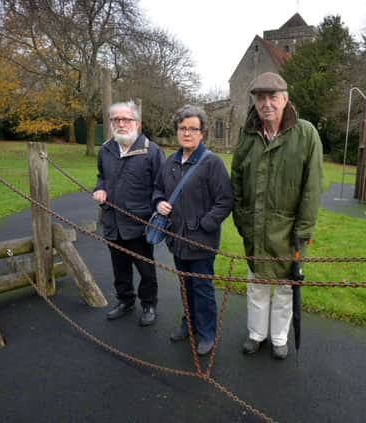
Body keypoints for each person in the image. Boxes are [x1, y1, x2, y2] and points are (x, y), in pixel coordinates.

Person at [231, 72, 323, 360]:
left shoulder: (306, 133)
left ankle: (280, 337)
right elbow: (236, 178)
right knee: (256, 284)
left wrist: (303, 230)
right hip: (255, 226)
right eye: (260, 98)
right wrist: (242, 220)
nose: (267, 103)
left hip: (289, 229)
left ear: (285, 99)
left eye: (273, 97)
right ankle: (257, 333)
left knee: (285, 288)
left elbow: (312, 186)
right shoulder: (247, 134)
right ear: (255, 102)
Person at [152, 105, 233, 356]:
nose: (187, 133)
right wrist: (159, 202)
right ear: (177, 131)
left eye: (193, 129)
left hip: (201, 241)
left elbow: (225, 201)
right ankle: (189, 324)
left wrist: (205, 225)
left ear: (202, 133)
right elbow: (157, 189)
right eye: (182, 128)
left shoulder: (212, 163)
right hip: (176, 239)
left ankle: (207, 333)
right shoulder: (170, 162)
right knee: (184, 285)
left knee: (202, 288)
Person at [93, 100, 165, 326]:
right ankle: (125, 300)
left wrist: (155, 210)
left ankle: (149, 304)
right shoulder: (106, 150)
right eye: (116, 120)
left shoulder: (151, 151)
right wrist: (100, 189)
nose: (121, 124)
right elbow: (101, 177)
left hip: (139, 224)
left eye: (126, 119)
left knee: (145, 269)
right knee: (119, 267)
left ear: (137, 122)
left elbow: (160, 186)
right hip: (113, 222)